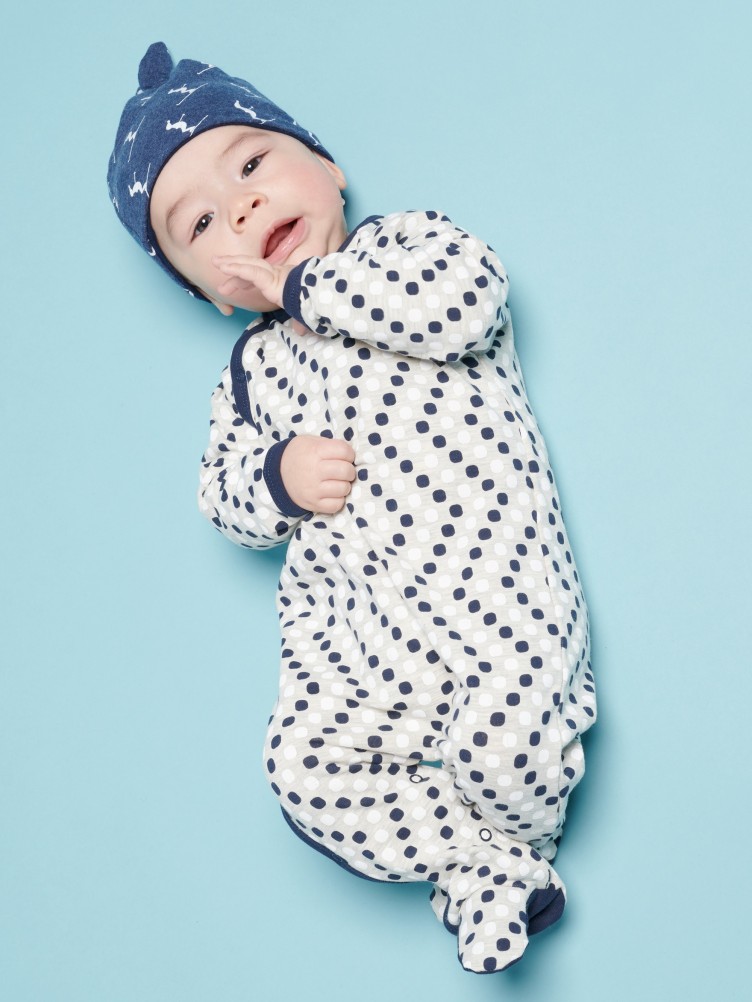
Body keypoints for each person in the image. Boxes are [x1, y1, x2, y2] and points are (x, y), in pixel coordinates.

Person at [108, 42, 596, 974]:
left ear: (328, 169)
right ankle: (478, 868)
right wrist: (278, 478)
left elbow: (463, 302)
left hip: (496, 592)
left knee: (511, 749)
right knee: (303, 767)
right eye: (199, 223)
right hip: (359, 641)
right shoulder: (253, 372)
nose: (240, 208)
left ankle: (507, 859)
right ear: (210, 296)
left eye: (252, 164)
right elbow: (219, 492)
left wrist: (303, 285)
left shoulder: (407, 247)